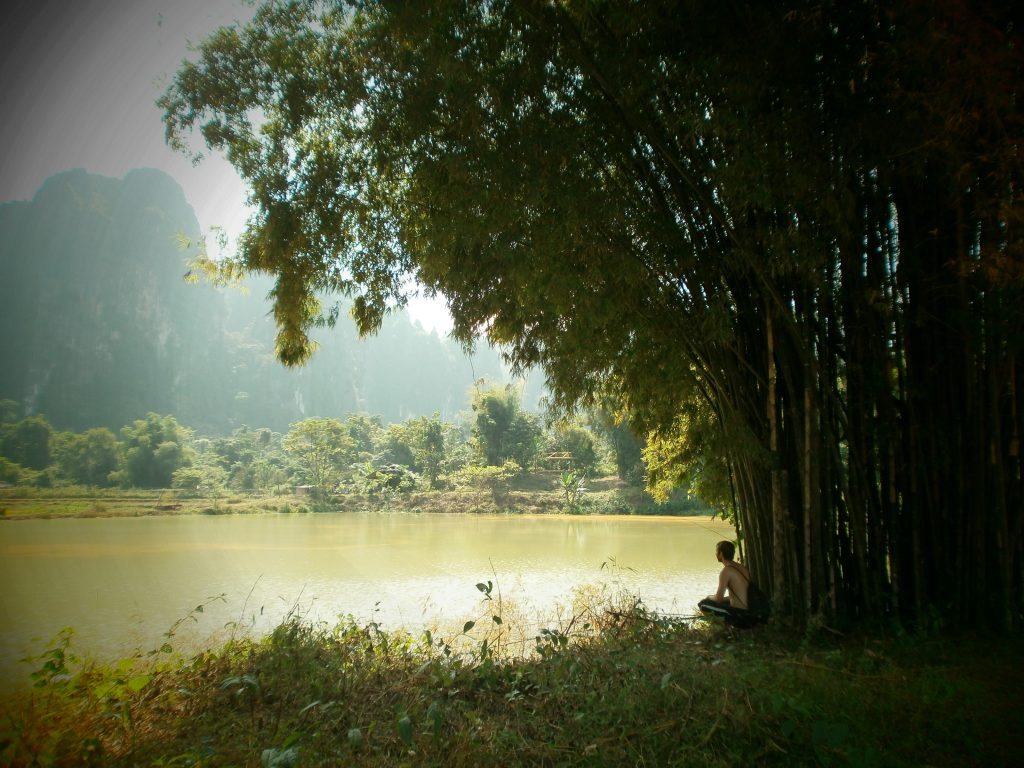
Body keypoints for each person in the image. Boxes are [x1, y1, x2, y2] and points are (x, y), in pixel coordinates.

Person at [698, 540, 755, 626]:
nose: (716, 554)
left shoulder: (726, 571)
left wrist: (709, 597)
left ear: (721, 554)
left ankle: (723, 629)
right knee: (719, 603)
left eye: (717, 552)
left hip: (740, 615)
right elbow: (741, 594)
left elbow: (718, 599)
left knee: (703, 604)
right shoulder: (742, 568)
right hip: (749, 611)